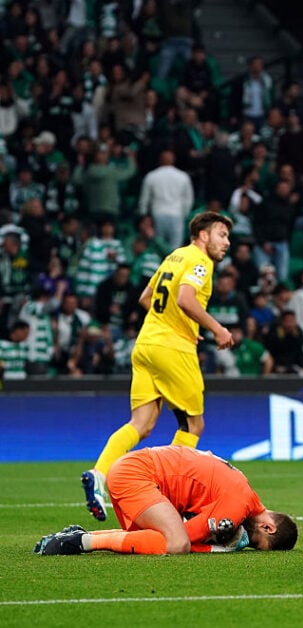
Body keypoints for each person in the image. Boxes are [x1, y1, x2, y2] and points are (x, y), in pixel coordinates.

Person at [81, 212, 235, 522]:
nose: (227, 243)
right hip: (172, 349)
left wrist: (181, 322)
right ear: (202, 236)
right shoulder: (201, 262)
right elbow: (185, 298)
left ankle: (99, 474)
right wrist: (217, 328)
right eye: (221, 235)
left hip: (146, 345)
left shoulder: (174, 257)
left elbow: (145, 297)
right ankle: (168, 499)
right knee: (193, 426)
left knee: (142, 423)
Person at [37, 446, 297, 555]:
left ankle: (77, 534)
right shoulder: (236, 507)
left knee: (153, 537)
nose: (247, 542)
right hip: (137, 475)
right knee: (176, 543)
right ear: (268, 527)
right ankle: (80, 542)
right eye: (256, 542)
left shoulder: (244, 489)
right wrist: (217, 548)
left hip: (139, 470)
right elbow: (184, 537)